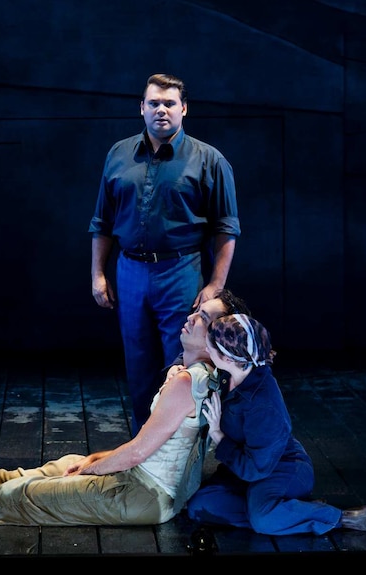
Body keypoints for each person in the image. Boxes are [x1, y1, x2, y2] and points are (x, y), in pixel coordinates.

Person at [0, 291, 242, 527]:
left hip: (145, 495)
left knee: (22, 497)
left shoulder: (186, 382)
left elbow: (140, 451)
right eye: (197, 309)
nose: (192, 316)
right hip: (148, 486)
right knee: (70, 460)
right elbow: (151, 446)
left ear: (216, 337)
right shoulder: (200, 375)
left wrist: (93, 468)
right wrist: (91, 460)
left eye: (203, 318)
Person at [88, 73, 241, 436]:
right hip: (130, 273)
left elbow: (227, 227)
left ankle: (181, 450)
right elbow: (101, 221)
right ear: (141, 108)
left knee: (183, 366)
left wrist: (216, 285)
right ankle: (142, 451)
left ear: (183, 109)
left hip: (181, 271)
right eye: (154, 103)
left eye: (169, 103)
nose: (161, 110)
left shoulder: (209, 160)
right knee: (139, 367)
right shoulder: (119, 154)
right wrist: (98, 274)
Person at [186, 313, 366, 536]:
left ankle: (343, 518)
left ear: (229, 358)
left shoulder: (262, 405)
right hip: (244, 470)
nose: (206, 346)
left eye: (210, 346)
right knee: (200, 506)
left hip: (281, 469)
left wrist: (217, 434)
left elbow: (256, 468)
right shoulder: (232, 373)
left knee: (263, 520)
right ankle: (288, 510)